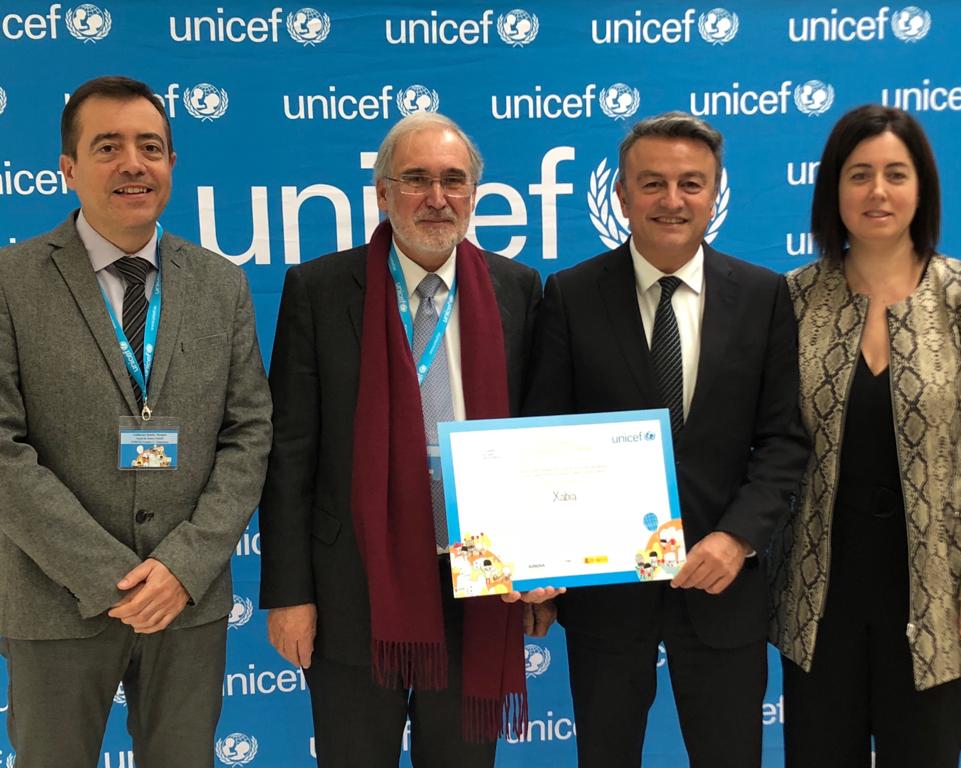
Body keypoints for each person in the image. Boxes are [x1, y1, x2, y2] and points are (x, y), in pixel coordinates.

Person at [0, 76, 272, 767]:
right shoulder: (11, 280)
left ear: (171, 164)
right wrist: (109, 576)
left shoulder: (221, 283)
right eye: (108, 147)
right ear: (67, 168)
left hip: (187, 603)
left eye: (150, 147)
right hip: (55, 600)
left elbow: (248, 435)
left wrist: (182, 567)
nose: (133, 164)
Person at [525, 111, 808, 768]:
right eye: (652, 183)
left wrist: (737, 537)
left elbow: (784, 441)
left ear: (715, 194)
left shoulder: (765, 296)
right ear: (621, 196)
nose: (672, 200)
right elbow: (543, 440)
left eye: (690, 183)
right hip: (605, 595)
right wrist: (536, 560)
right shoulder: (570, 294)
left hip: (722, 583)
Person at [259, 111, 542, 767]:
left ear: (474, 194)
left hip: (480, 582)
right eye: (416, 179)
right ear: (383, 193)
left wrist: (542, 568)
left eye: (453, 180)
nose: (437, 197)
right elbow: (289, 454)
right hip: (354, 585)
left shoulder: (518, 289)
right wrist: (290, 594)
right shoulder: (320, 290)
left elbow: (536, 441)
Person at [768, 104, 961, 768]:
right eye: (859, 174)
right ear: (834, 190)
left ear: (922, 187)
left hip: (936, 596)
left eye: (895, 174)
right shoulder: (792, 299)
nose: (877, 191)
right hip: (819, 596)